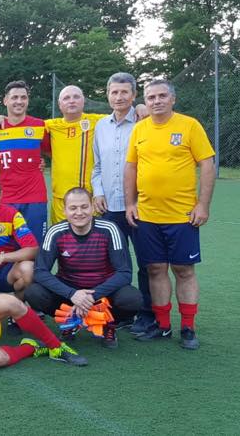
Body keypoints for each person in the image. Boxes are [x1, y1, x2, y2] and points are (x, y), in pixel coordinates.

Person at [124, 79, 215, 350]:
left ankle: (188, 327)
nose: (157, 101)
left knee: (183, 270)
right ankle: (162, 326)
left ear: (173, 99)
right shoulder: (140, 129)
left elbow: (207, 165)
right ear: (145, 101)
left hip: (182, 216)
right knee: (155, 269)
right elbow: (131, 167)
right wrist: (130, 203)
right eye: (151, 97)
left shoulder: (189, 125)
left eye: (162, 96)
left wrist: (203, 205)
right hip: (148, 215)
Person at [25, 187, 142, 348]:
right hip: (69, 292)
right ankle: (69, 320)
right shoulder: (56, 232)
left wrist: (91, 297)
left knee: (132, 299)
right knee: (34, 293)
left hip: (103, 293)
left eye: (84, 207)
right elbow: (40, 271)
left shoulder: (109, 229)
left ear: (92, 207)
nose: (79, 213)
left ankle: (108, 323)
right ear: (65, 211)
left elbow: (124, 273)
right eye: (73, 208)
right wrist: (72, 294)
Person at [91, 72, 153, 333]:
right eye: (114, 92)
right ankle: (121, 313)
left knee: (147, 263)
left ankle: (148, 315)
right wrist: (97, 192)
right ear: (107, 95)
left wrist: (145, 108)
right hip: (109, 209)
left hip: (139, 206)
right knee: (115, 264)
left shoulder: (145, 121)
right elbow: (97, 167)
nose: (119, 97)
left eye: (124, 92)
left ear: (134, 95)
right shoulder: (100, 126)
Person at [0, 81, 50, 241]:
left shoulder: (39, 126)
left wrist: (41, 160)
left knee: (36, 246)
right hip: (7, 198)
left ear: (28, 100)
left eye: (23, 97)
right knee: (7, 247)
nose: (19, 101)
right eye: (14, 97)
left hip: (35, 198)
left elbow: (51, 152)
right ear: (5, 100)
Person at [44, 85, 107, 225]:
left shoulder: (99, 121)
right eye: (66, 98)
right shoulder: (50, 125)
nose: (71, 101)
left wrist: (139, 107)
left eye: (76, 97)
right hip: (60, 198)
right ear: (59, 104)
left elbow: (122, 116)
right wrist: (1, 117)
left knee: (91, 237)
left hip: (88, 198)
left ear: (83, 101)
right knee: (61, 236)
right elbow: (21, 125)